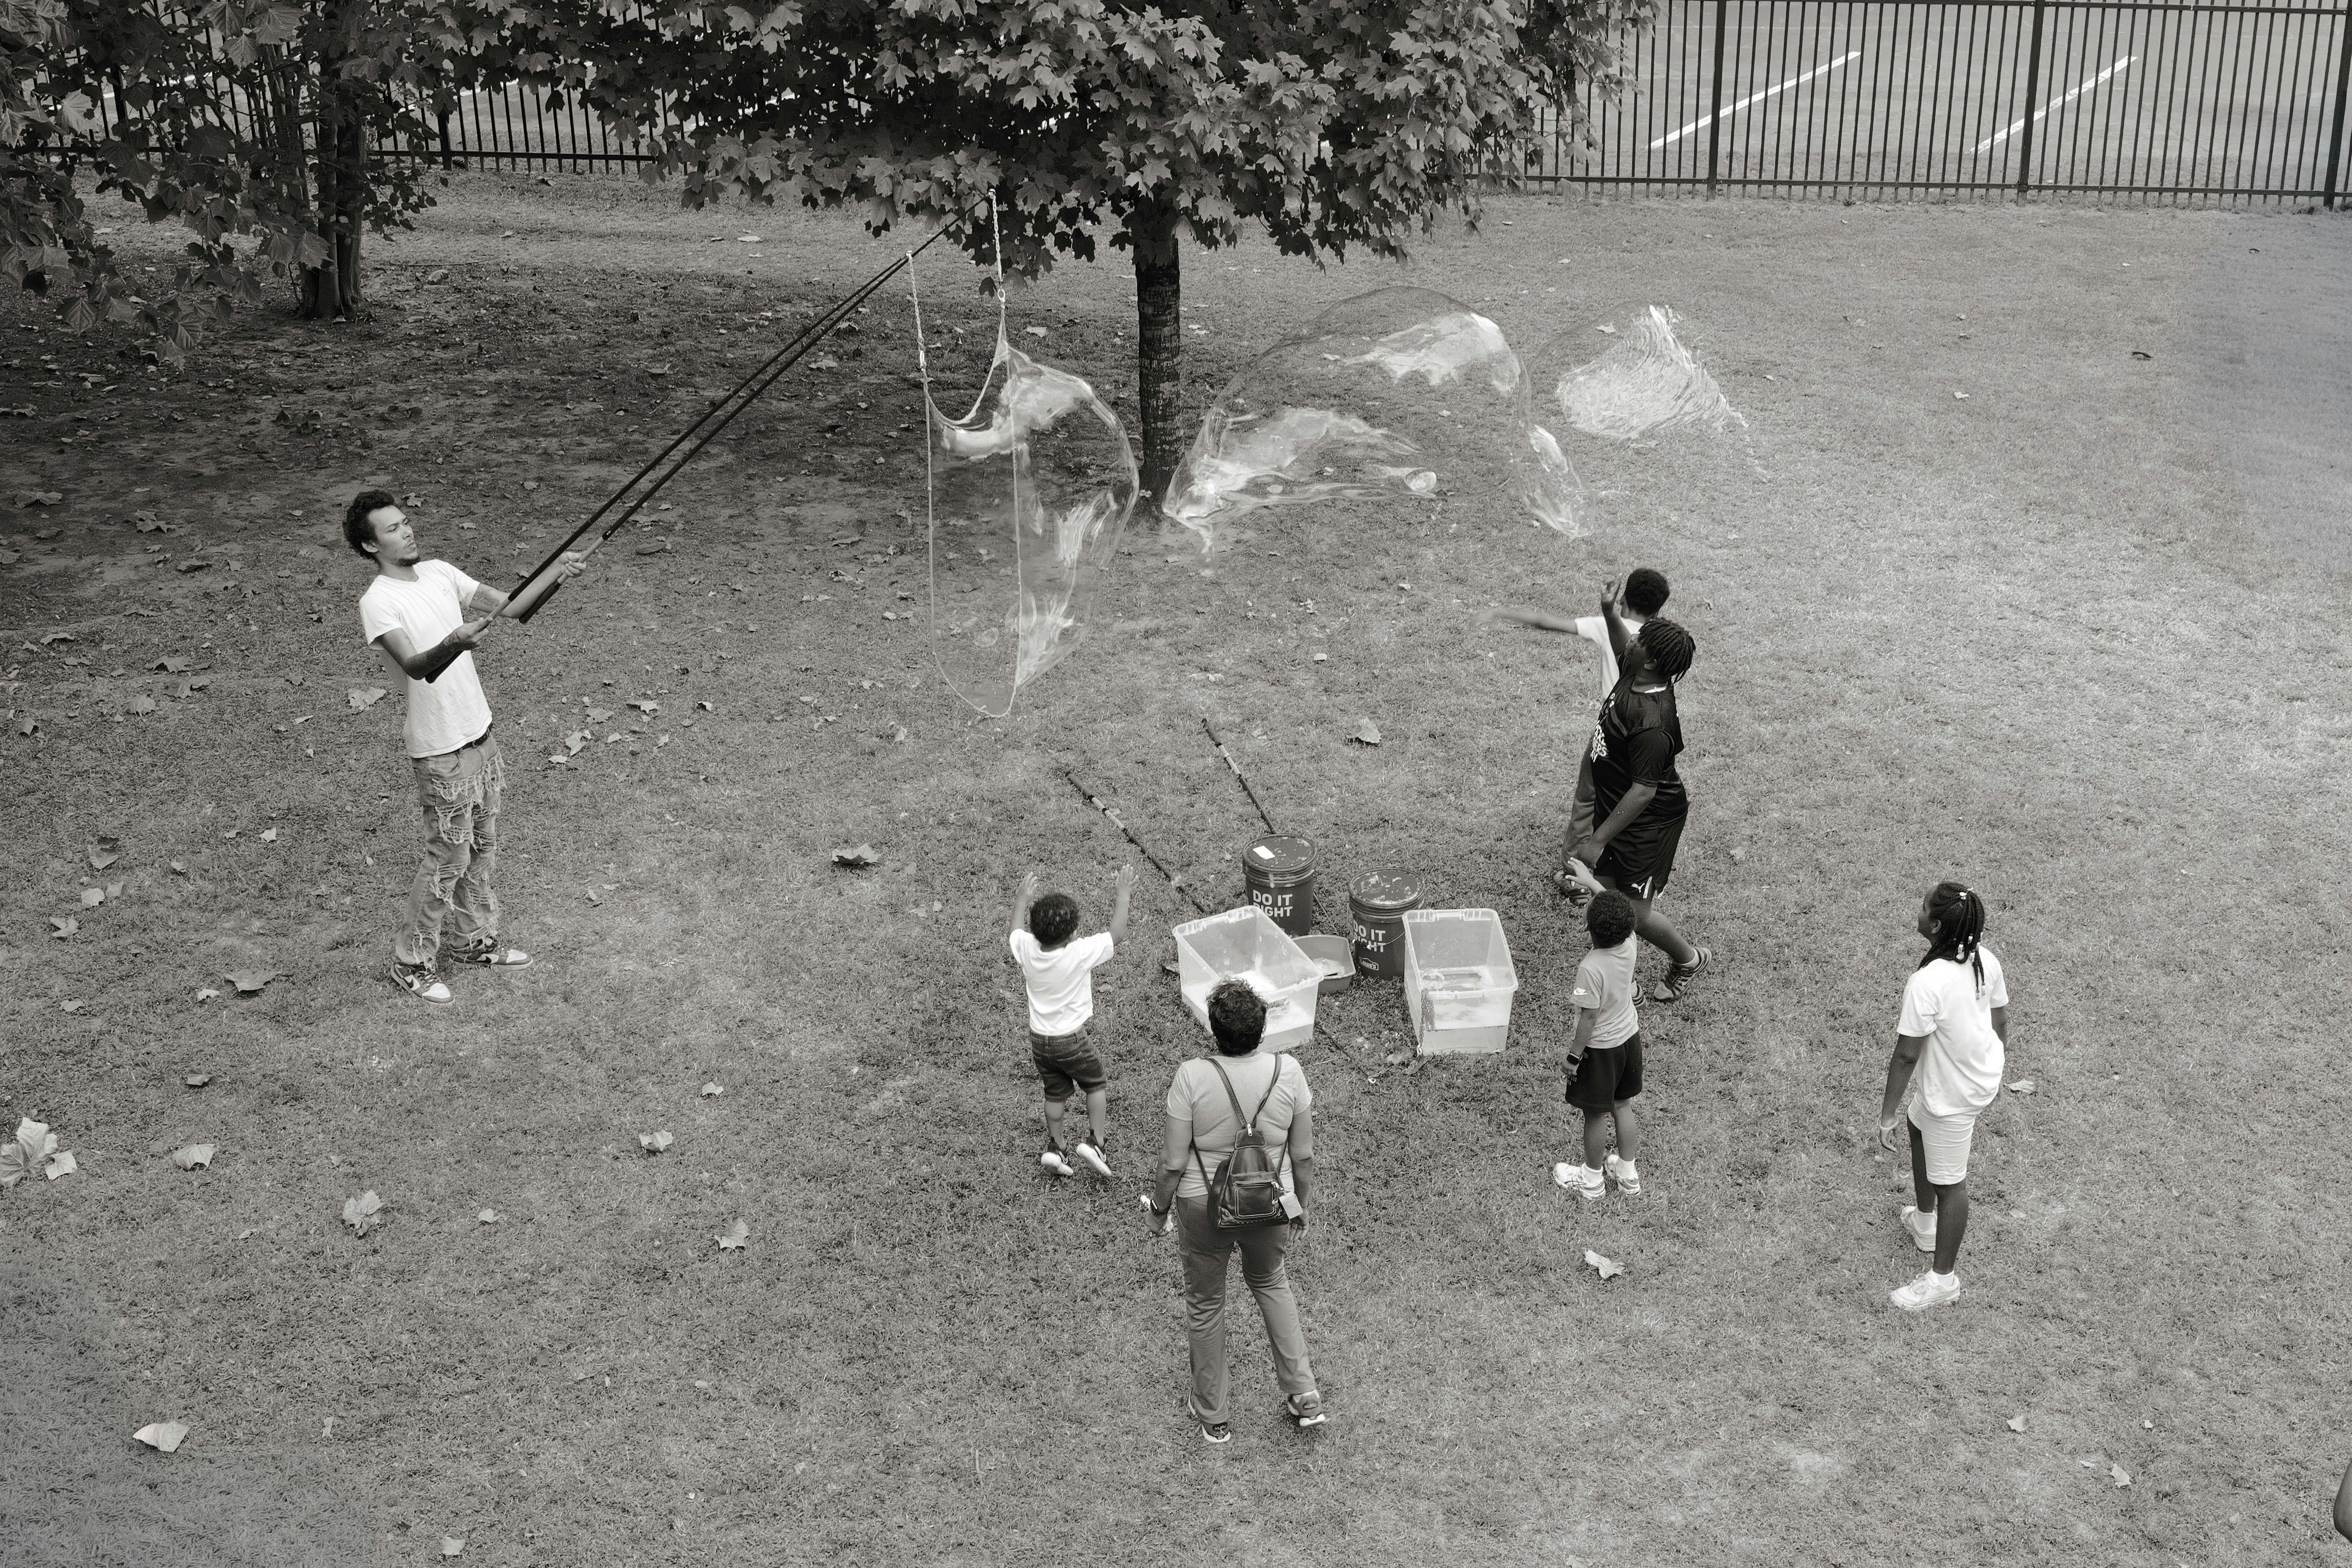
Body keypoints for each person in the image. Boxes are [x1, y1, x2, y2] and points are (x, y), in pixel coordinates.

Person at [349, 490, 584, 1004]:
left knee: (481, 849)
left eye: (406, 522)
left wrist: (556, 574)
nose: (406, 531)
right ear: (370, 545)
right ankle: (409, 961)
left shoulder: (439, 572)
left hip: (480, 732)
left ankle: (472, 940)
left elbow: (516, 609)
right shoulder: (379, 601)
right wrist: (456, 640)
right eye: (391, 529)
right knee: (447, 858)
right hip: (439, 748)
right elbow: (416, 666)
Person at [1143, 980, 1324, 1443]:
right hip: (1269, 1201)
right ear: (1262, 1029)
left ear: (1214, 1030)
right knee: (1270, 1283)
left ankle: (1214, 1416)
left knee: (1205, 1303)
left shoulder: (1191, 1076)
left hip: (1202, 1204)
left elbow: (1171, 1163)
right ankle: (1304, 1394)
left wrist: (1159, 1210)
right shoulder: (1290, 1072)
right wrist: (1298, 1203)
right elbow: (1302, 1157)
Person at [1479, 568, 1670, 904]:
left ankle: (1575, 877)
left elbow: (1545, 621)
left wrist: (1500, 612)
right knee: (1621, 806)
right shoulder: (1661, 642)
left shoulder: (1611, 627)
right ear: (1658, 610)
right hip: (1644, 740)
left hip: (1612, 734)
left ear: (1623, 600)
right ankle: (1611, 870)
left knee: (1588, 802)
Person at [1566, 582, 1710, 1003]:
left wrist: (1596, 842)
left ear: (1648, 660)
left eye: (1640, 640)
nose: (1632, 638)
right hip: (1618, 807)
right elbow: (1623, 641)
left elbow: (1644, 792)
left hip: (1646, 823)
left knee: (1633, 912)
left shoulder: (1652, 722)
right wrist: (1610, 612)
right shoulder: (1639, 668)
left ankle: (1688, 959)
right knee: (1605, 900)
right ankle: (1624, 983)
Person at [1875, 882, 2009, 1312]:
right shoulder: (1984, 959)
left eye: (1921, 908)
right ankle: (1925, 1222)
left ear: (1934, 926)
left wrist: (1886, 1113)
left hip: (1955, 1095)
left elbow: (1907, 1054)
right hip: (1971, 1079)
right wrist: (1992, 1062)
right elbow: (2000, 1020)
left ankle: (1942, 1279)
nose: (1915, 912)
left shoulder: (1927, 982)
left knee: (1951, 1184)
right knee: (1919, 1125)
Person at [1009, 865, 1133, 1179]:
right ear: (1073, 934)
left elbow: (1014, 932)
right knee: (1095, 1083)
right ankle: (1096, 1142)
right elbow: (1116, 934)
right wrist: (1123, 893)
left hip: (1040, 1041)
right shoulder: (1078, 953)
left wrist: (1022, 900)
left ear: (1035, 932)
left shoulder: (1026, 948)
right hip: (1072, 1040)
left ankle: (1055, 1147)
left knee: (1054, 1092)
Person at [1553, 890, 1645, 1200]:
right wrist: (1592, 883)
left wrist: (1573, 1057)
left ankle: (1591, 1180)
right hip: (1629, 1039)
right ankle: (1627, 1174)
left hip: (1601, 1050)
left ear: (1587, 926)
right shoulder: (1630, 941)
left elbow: (1588, 1019)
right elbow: (1612, 905)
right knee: (1622, 1105)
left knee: (1595, 1114)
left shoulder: (1590, 968)